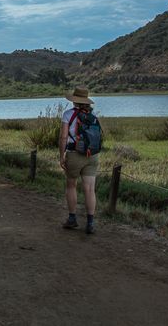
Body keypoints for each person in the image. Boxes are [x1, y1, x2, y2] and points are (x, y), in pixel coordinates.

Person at [59, 86, 100, 234]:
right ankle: (90, 223)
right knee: (89, 189)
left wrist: (61, 155)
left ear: (75, 100)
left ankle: (72, 219)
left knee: (71, 186)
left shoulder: (68, 115)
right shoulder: (93, 115)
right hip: (92, 156)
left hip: (74, 154)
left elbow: (63, 137)